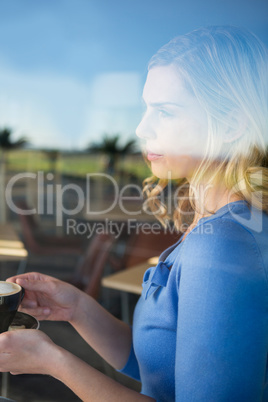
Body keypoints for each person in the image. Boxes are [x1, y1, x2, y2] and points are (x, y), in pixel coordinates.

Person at [1, 25, 268, 401]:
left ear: (232, 125)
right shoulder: (216, 226)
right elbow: (163, 366)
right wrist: (77, 307)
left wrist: (53, 361)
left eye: (165, 111)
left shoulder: (224, 245)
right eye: (146, 108)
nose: (142, 127)